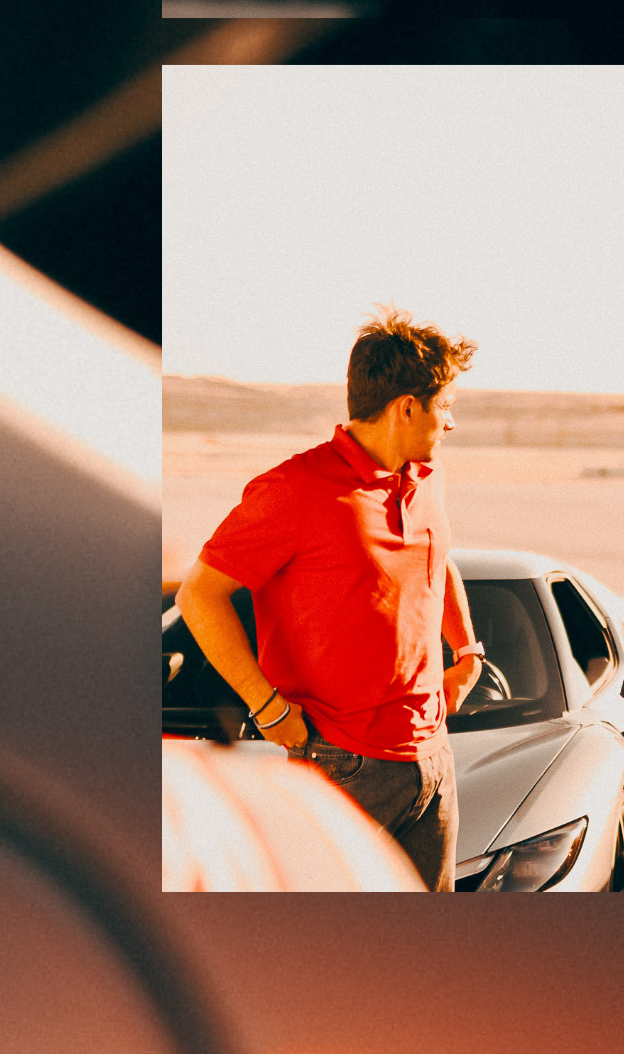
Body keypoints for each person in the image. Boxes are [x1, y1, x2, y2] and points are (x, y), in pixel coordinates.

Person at [175, 306, 484, 891]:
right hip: (344, 764)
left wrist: (466, 650)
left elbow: (438, 559)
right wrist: (267, 708)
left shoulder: (425, 478)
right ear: (407, 407)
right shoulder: (294, 490)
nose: (451, 423)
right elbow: (200, 595)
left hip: (433, 760)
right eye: (446, 405)